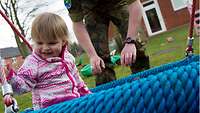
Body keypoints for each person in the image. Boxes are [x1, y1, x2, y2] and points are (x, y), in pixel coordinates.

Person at [2, 12, 91, 110]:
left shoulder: (68, 58)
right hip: (49, 108)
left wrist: (88, 96)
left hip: (73, 104)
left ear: (63, 42)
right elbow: (22, 86)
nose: (45, 48)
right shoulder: (33, 63)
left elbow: (78, 80)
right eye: (39, 43)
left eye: (51, 43)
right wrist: (9, 76)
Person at [65, 0, 150, 86]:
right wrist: (92, 55)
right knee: (99, 62)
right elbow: (77, 23)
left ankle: (143, 84)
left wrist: (130, 42)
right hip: (92, 10)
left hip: (118, 2)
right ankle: (108, 93)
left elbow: (135, 4)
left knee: (136, 46)